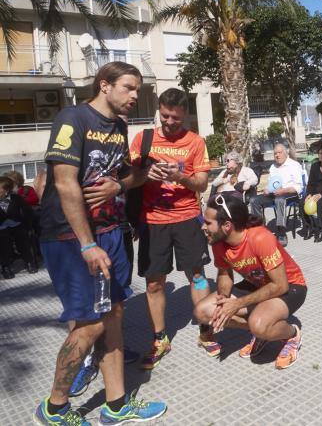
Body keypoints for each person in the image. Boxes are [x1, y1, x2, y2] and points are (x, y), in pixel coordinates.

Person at [35, 61, 166, 425]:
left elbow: (121, 178)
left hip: (111, 231)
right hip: (71, 237)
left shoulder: (119, 127)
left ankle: (117, 404)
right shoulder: (72, 118)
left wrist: (132, 180)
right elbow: (64, 182)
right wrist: (87, 244)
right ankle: (54, 408)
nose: (135, 96)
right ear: (104, 85)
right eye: (128, 88)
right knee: (90, 324)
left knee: (113, 317)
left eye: (137, 89)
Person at [130, 87, 212, 369]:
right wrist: (144, 174)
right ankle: (160, 338)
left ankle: (205, 330)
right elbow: (128, 178)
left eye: (175, 118)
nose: (169, 122)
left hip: (187, 218)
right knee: (154, 283)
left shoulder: (195, 142)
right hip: (153, 222)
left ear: (184, 115)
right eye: (165, 115)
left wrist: (180, 176)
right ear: (160, 110)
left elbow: (201, 183)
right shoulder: (144, 139)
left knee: (198, 275)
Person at [196, 194, 306, 367]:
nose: (203, 226)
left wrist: (238, 304)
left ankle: (291, 334)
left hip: (290, 286)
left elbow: (280, 285)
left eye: (208, 223)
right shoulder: (218, 241)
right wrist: (224, 298)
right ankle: (264, 331)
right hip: (258, 284)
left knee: (259, 324)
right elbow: (224, 274)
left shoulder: (260, 238)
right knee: (203, 311)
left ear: (227, 225)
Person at [248, 143, 304, 246]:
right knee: (253, 200)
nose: (277, 155)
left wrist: (283, 190)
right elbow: (271, 183)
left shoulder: (294, 165)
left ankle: (281, 232)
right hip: (274, 193)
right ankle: (259, 231)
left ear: (285, 153)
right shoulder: (273, 167)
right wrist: (267, 189)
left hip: (290, 193)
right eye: (275, 153)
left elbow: (298, 187)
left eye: (279, 152)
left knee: (280, 199)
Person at [0, 175, 35, 277]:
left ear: (6, 190)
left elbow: (27, 212)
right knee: (3, 242)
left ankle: (29, 262)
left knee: (22, 238)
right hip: (1, 228)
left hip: (17, 225)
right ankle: (5, 266)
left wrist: (28, 225)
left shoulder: (16, 198)